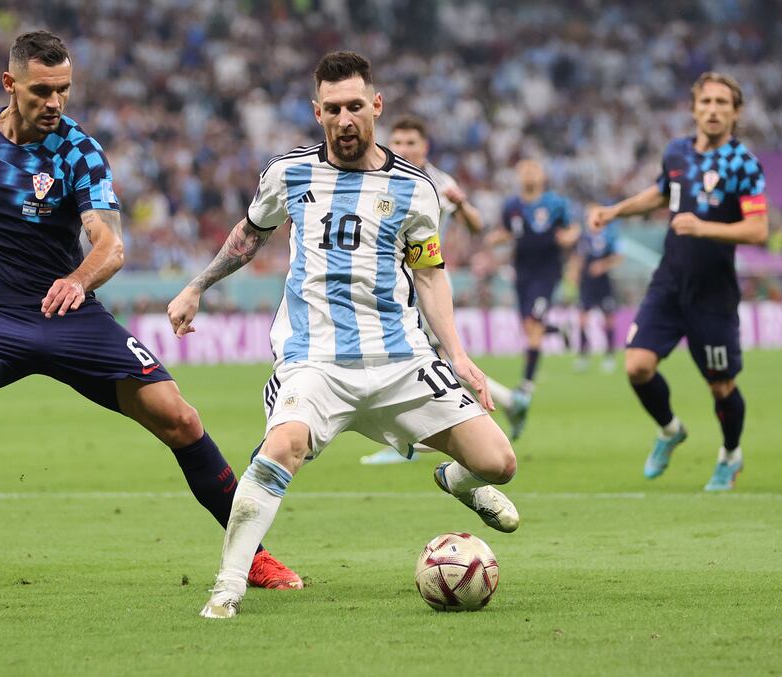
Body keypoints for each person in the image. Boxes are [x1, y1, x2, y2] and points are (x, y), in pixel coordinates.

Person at [0, 31, 300, 591]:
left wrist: (77, 279)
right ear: (10, 84)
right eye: (41, 90)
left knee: (181, 419)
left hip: (71, 318)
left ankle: (255, 556)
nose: (54, 103)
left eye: (64, 90)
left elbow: (111, 244)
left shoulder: (79, 150)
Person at [167, 51, 520, 620]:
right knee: (282, 445)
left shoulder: (416, 188)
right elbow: (249, 233)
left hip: (400, 358)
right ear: (317, 112)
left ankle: (455, 480)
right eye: (332, 109)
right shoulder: (289, 172)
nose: (345, 119)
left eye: (355, 106)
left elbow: (430, 273)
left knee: (499, 462)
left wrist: (459, 356)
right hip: (316, 358)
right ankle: (228, 586)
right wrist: (196, 286)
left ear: (376, 106)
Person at [587, 72, 768, 491]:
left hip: (713, 294)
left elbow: (758, 229)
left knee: (721, 386)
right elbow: (659, 194)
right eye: (706, 102)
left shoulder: (744, 164)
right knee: (637, 366)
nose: (713, 110)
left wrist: (706, 228)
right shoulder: (677, 152)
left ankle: (730, 455)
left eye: (723, 103)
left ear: (736, 112)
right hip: (668, 284)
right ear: (693, 108)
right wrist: (615, 211)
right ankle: (670, 430)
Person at [359, 115, 522, 464]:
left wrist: (461, 203)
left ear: (424, 148)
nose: (402, 149)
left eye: (410, 144)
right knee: (430, 360)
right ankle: (508, 401)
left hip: (423, 282)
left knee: (424, 360)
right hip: (392, 284)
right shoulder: (381, 173)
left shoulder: (434, 181)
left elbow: (477, 226)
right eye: (398, 142)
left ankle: (413, 442)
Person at [485, 159, 580, 438]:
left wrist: (569, 238)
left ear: (542, 175)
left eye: (533, 169)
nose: (528, 174)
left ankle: (526, 384)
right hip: (522, 273)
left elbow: (572, 229)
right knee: (529, 326)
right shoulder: (511, 206)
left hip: (547, 272)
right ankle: (558, 329)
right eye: (523, 170)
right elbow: (505, 231)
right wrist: (494, 239)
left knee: (533, 325)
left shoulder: (555, 204)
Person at [571, 217, 623, 372]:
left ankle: (609, 356)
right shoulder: (583, 237)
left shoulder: (610, 235)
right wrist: (574, 272)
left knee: (608, 320)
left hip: (603, 284)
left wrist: (603, 265)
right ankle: (582, 356)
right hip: (586, 284)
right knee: (581, 320)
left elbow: (619, 257)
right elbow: (578, 258)